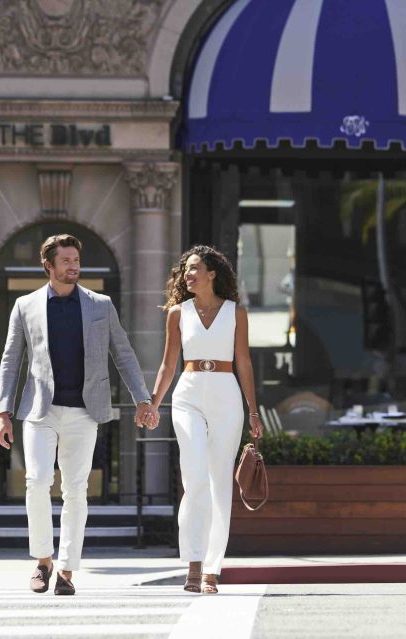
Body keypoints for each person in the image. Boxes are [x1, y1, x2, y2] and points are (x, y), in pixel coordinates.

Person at [0, 234, 158, 596]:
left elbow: (124, 354)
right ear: (48, 266)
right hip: (40, 409)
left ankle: (67, 570)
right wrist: (3, 411)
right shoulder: (25, 306)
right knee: (36, 481)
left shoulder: (101, 305)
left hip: (85, 410)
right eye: (65, 260)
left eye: (76, 260)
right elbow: (10, 361)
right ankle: (42, 561)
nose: (73, 265)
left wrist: (143, 399)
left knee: (75, 490)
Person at [149, 246, 263, 595]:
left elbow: (243, 361)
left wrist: (253, 410)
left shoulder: (235, 313)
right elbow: (169, 364)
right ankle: (194, 564)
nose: (188, 274)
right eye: (185, 269)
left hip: (226, 394)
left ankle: (213, 569)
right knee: (195, 477)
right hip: (189, 394)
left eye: (195, 268)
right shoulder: (177, 314)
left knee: (219, 485)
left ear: (212, 273)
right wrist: (153, 403)